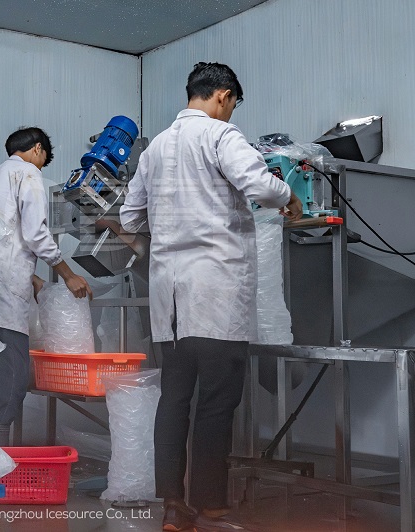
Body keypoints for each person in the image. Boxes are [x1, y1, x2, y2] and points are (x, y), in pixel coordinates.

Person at [119, 62, 302, 531]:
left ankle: (172, 506)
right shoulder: (222, 136)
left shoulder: (156, 147)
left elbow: (131, 218)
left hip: (171, 300)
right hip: (217, 292)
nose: (231, 110)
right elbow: (260, 185)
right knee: (217, 402)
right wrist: (289, 198)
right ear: (223, 96)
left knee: (174, 399)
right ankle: (210, 502)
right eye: (233, 103)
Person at [0, 127, 91, 445]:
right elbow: (36, 235)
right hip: (5, 296)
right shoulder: (27, 173)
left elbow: (2, 236)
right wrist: (68, 274)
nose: (41, 166)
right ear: (37, 150)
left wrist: (33, 276)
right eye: (43, 160)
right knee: (9, 386)